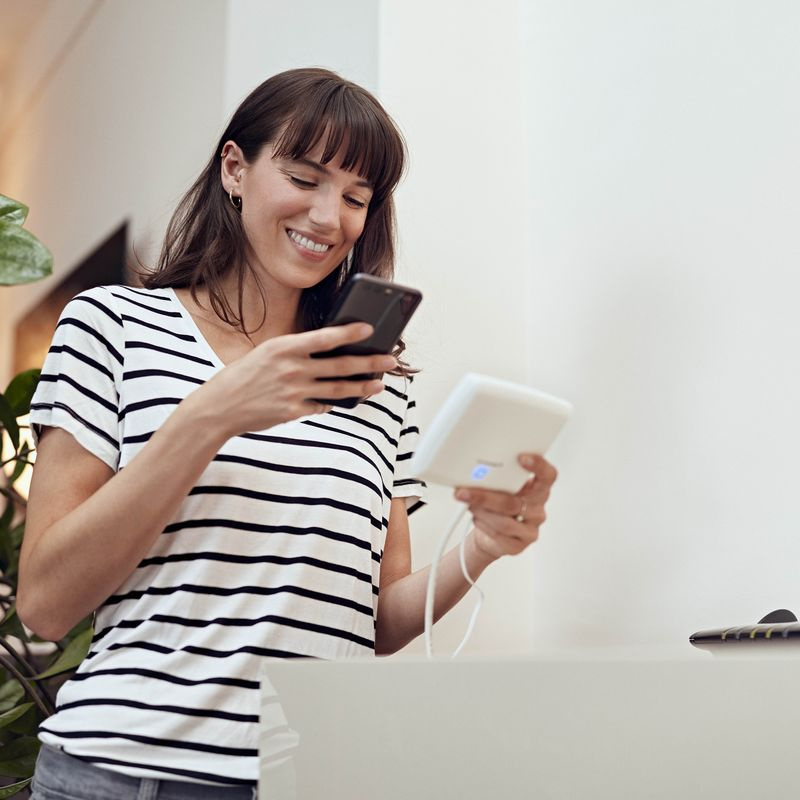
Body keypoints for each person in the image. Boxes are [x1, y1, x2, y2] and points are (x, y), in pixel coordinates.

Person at [18, 67, 558, 798]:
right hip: (127, 776)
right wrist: (213, 414)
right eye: (304, 178)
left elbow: (374, 622)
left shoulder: (376, 384)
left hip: (311, 778)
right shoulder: (111, 325)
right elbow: (46, 603)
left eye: (357, 198)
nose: (329, 218)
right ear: (235, 169)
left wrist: (484, 547)